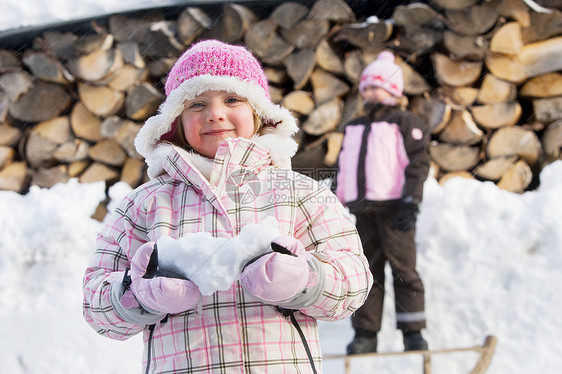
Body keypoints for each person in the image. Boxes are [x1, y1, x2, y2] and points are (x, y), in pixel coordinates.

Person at [82, 39, 373, 373]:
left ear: (258, 112)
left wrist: (304, 278)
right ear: (175, 121)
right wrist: (137, 293)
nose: (215, 113)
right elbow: (95, 305)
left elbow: (355, 283)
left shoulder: (300, 193)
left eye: (232, 99)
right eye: (196, 104)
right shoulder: (144, 204)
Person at [335, 51, 431, 354]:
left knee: (403, 269)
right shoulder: (354, 126)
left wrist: (411, 201)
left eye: (376, 87)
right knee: (368, 273)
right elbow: (344, 166)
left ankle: (413, 332)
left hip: (395, 209)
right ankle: (365, 334)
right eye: (365, 88)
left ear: (393, 90)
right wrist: (339, 200)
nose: (369, 93)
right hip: (362, 211)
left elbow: (418, 163)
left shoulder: (405, 122)